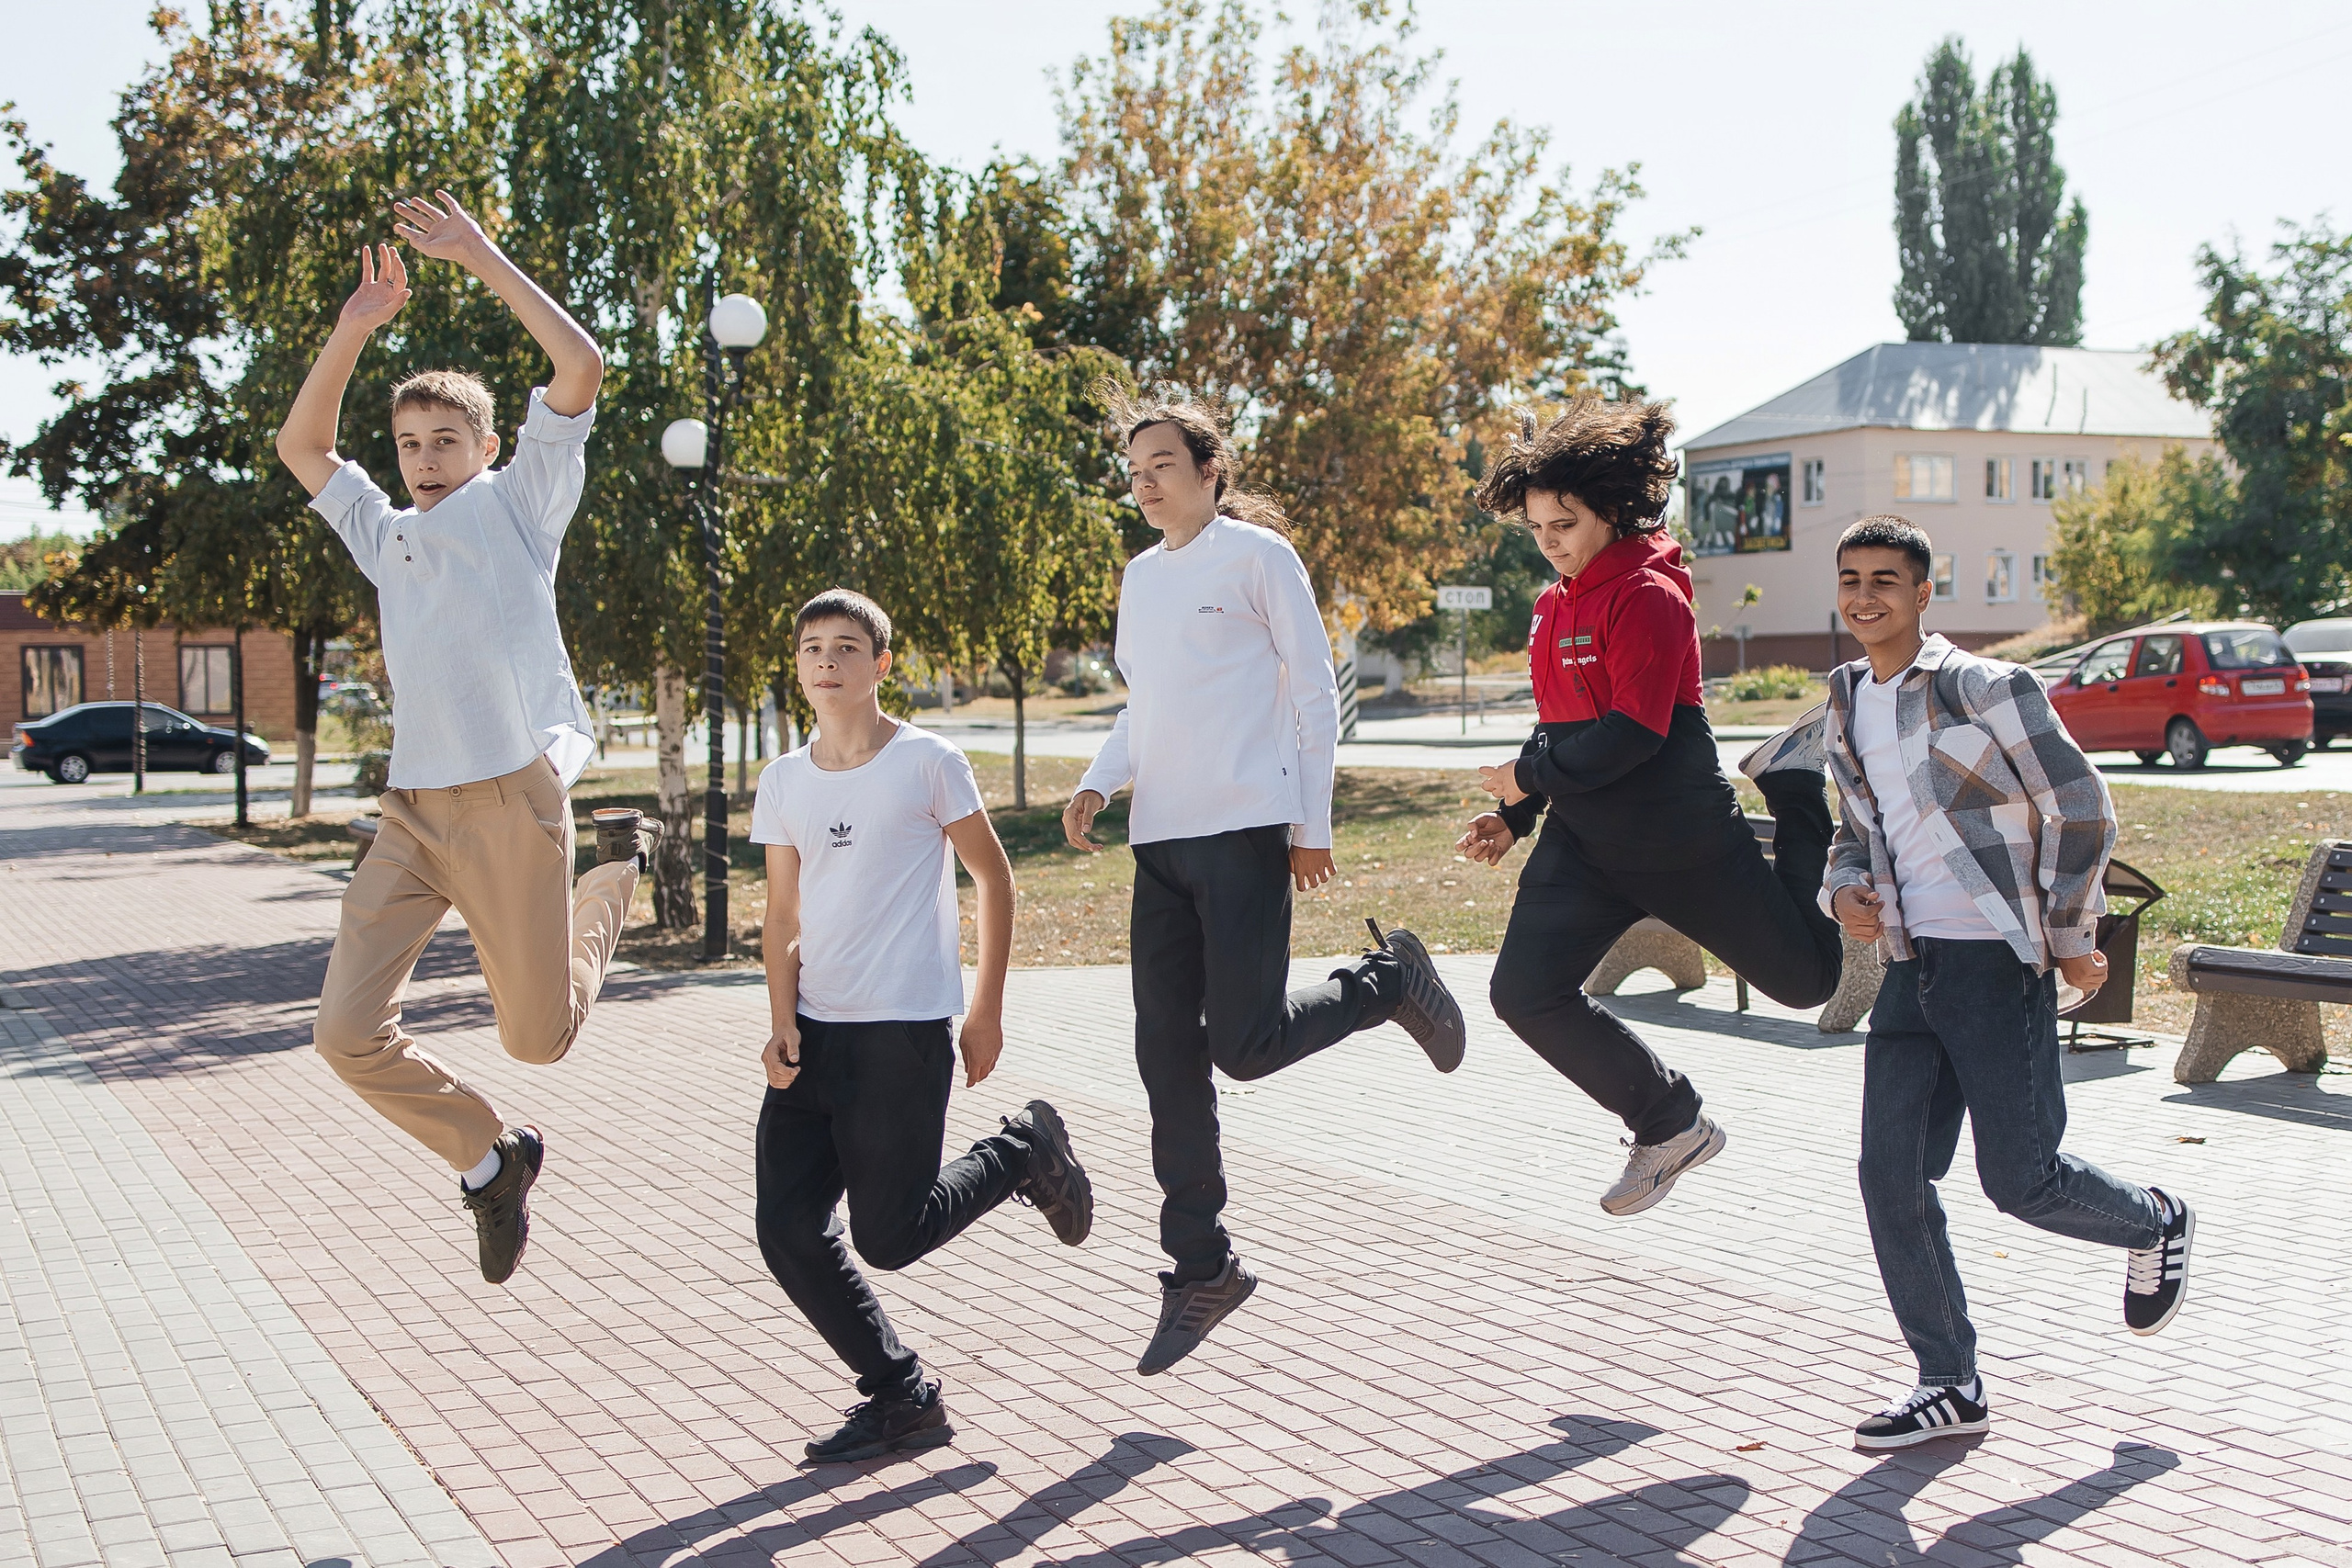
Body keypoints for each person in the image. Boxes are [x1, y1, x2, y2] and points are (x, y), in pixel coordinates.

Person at [277, 193, 659, 1284]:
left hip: (509, 800)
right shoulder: (385, 531)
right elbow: (301, 442)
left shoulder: (521, 504)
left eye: (447, 438)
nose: (426, 457)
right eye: (408, 443)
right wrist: (355, 326)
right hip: (412, 815)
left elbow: (578, 364)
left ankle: (614, 876)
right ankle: (491, 1161)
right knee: (344, 1034)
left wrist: (478, 254)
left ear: (488, 444)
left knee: (537, 1040)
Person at [1062, 389, 1466, 1376]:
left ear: (1209, 472)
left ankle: (1384, 983)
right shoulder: (1139, 575)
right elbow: (1144, 704)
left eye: (1163, 464)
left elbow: (1312, 688)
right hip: (1159, 843)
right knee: (1165, 1055)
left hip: (1243, 831)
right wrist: (1097, 778)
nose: (1144, 481)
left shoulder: (1256, 558)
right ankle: (1199, 1266)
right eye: (1135, 468)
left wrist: (1308, 822)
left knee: (1241, 1048)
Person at [1824, 515, 2192, 1450]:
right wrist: (1843, 894)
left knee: (2020, 1181)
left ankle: (2152, 1219)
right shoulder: (1844, 700)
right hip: (1912, 965)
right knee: (1888, 1176)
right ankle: (1948, 1382)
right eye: (1851, 579)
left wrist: (2069, 931)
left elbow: (2078, 803)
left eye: (1885, 581)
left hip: (1993, 959)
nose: (1866, 596)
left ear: (1921, 594)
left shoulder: (1982, 686)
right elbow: (1849, 833)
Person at [1456, 399, 1843, 1216]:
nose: (1551, 539)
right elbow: (1560, 725)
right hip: (1588, 846)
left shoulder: (1650, 595)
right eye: (1536, 526)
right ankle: (1669, 1122)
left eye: (1565, 521)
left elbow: (1633, 733)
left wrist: (1528, 777)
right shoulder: (1552, 605)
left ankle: (1798, 782)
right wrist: (1519, 814)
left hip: (1681, 839)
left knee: (1810, 982)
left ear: (1610, 507)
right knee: (1523, 993)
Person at [754, 590, 1092, 1462]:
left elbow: (995, 877)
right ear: (797, 666)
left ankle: (1022, 1153)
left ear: (880, 664)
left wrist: (985, 1010)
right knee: (788, 1226)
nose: (826, 660)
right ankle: (901, 1393)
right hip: (815, 1039)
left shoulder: (927, 762)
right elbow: (781, 914)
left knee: (889, 1236)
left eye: (846, 646)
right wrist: (780, 1020)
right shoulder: (784, 779)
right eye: (812, 646)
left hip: (901, 1036)